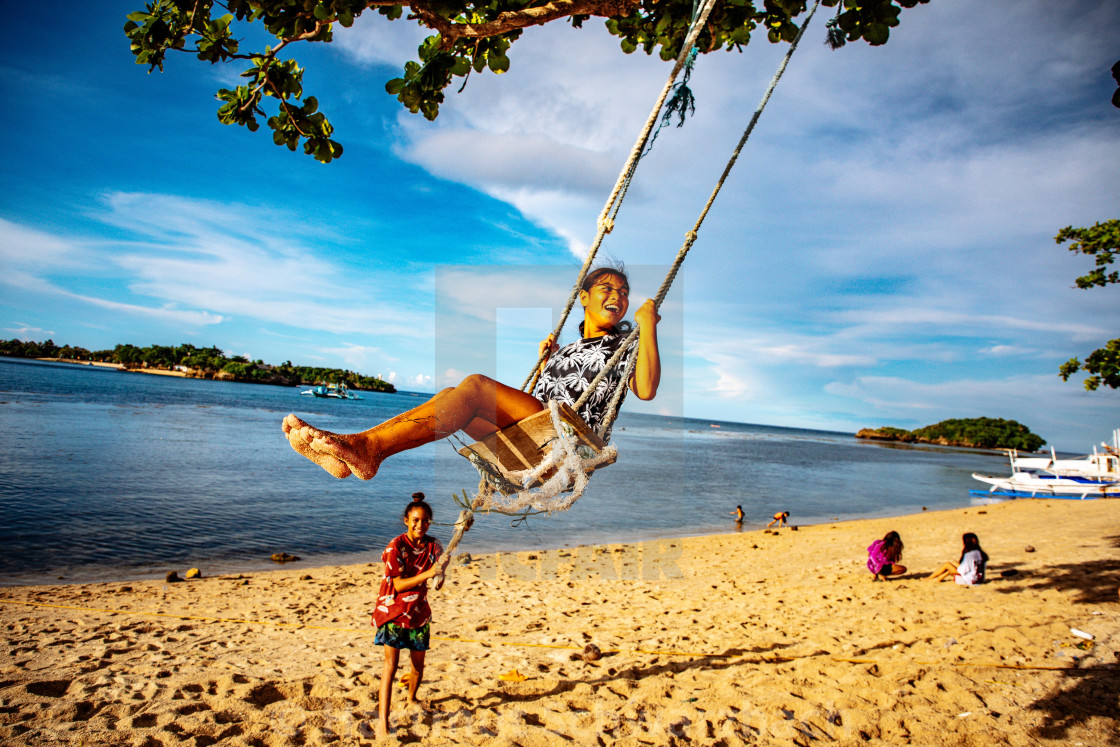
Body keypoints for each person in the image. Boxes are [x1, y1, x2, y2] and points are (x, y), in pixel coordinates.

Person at [283, 266, 662, 481]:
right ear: (583, 297)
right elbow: (555, 394)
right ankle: (363, 448)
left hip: (564, 448)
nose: (618, 296)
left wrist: (647, 325)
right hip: (531, 445)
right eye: (607, 288)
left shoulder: (624, 347)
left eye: (624, 292)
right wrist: (550, 362)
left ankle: (365, 447)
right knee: (455, 394)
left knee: (476, 386)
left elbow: (645, 389)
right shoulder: (568, 349)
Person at [373, 494, 450, 739]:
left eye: (425, 521)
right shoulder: (396, 546)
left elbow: (437, 581)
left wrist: (441, 574)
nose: (420, 525)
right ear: (406, 520)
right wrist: (429, 573)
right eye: (416, 520)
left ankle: (412, 698)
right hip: (393, 612)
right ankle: (383, 723)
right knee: (391, 667)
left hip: (419, 612)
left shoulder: (434, 546)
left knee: (418, 665)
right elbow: (398, 585)